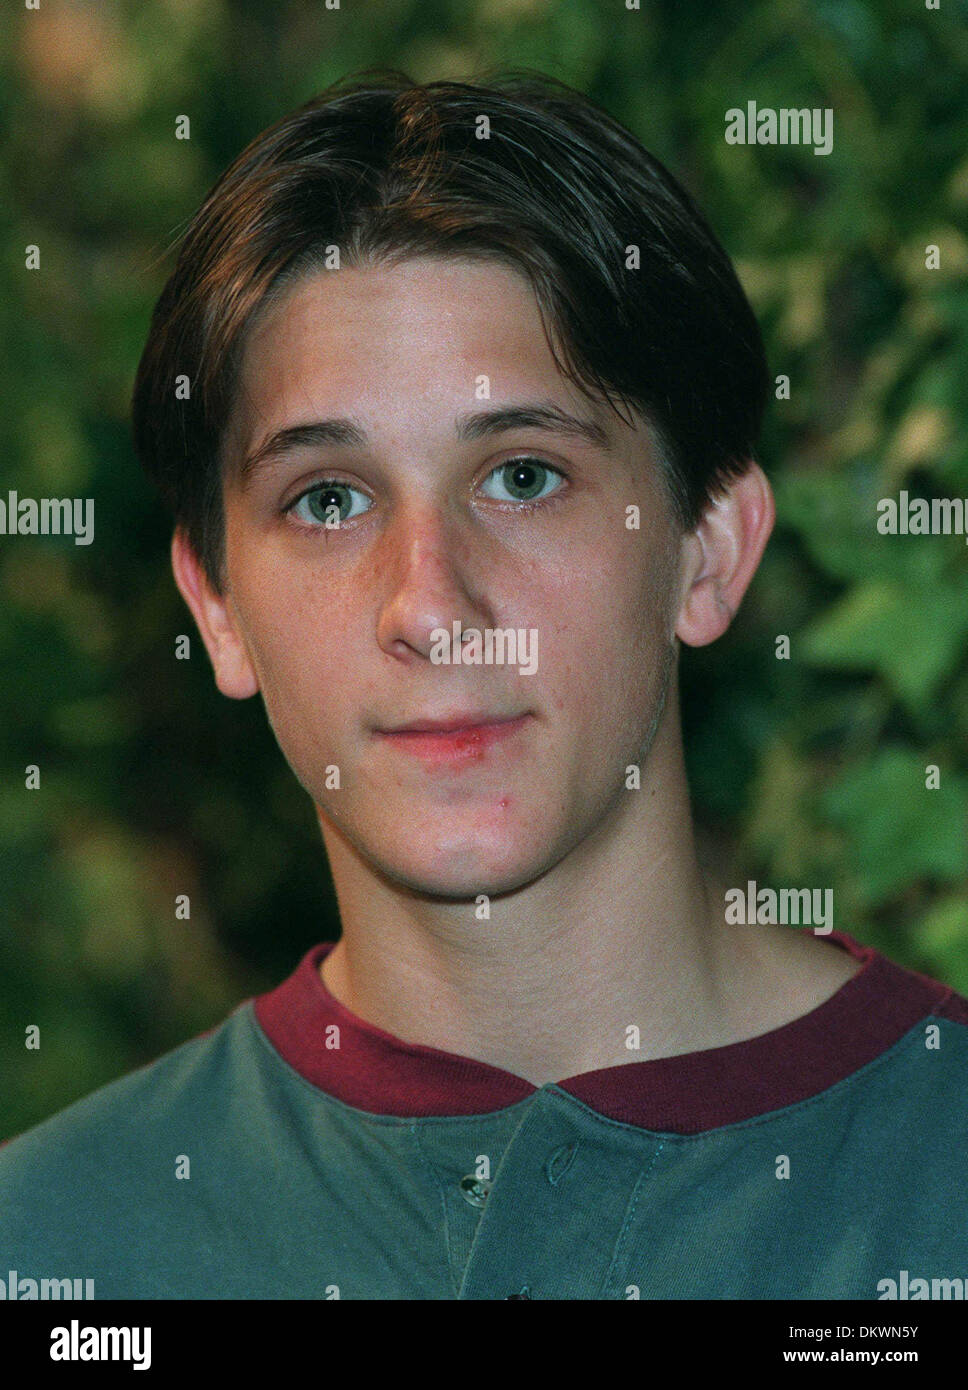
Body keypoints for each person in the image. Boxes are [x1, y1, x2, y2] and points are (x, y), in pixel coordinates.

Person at [2, 70, 965, 1302]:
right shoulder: (52, 1252)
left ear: (707, 548)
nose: (430, 607)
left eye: (521, 477)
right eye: (328, 499)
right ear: (218, 609)